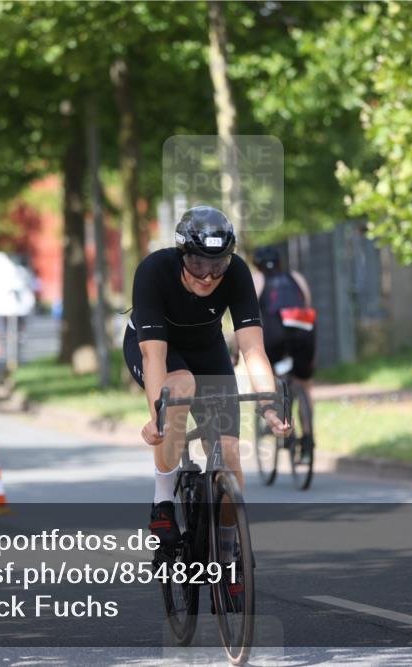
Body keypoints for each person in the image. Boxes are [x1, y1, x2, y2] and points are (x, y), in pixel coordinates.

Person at [123, 206, 290, 553]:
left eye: (218, 265)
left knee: (229, 453)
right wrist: (157, 417)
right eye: (198, 264)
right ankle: (162, 501)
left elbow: (252, 349)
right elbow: (154, 356)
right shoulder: (154, 271)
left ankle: (228, 548)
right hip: (157, 348)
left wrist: (269, 405)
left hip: (207, 349)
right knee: (181, 387)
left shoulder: (238, 273)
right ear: (182, 254)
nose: (208, 276)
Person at [251, 246, 317, 457]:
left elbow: (248, 315)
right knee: (304, 385)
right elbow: (306, 304)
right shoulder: (296, 277)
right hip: (303, 330)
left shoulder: (257, 279)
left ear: (257, 264)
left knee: (264, 372)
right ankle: (308, 440)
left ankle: (276, 418)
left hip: (274, 333)